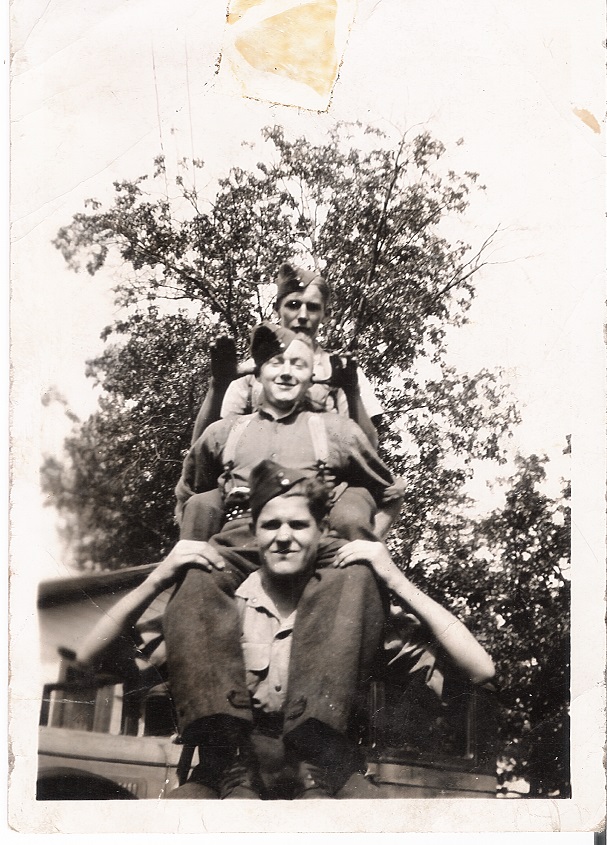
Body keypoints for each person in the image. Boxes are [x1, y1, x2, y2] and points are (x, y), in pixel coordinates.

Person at [77, 459, 495, 800]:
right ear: (254, 533)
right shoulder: (216, 607)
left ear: (321, 533)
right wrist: (159, 577)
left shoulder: (352, 611)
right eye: (270, 525)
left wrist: (396, 580)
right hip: (228, 780)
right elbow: (84, 658)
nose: (283, 538)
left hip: (329, 782)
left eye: (298, 526)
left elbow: (481, 670)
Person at [175, 320, 402, 546]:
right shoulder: (223, 432)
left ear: (311, 377)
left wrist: (371, 546)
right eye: (275, 363)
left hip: (315, 550)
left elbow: (390, 493)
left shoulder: (337, 430)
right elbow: (187, 495)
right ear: (258, 374)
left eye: (298, 365)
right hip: (235, 549)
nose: (286, 373)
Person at [190, 262, 383, 449]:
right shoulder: (249, 370)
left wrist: (352, 391)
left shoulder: (342, 369)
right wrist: (218, 385)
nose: (303, 315)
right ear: (277, 309)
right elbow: (202, 450)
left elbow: (369, 452)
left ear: (326, 315)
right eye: (293, 305)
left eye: (313, 307)